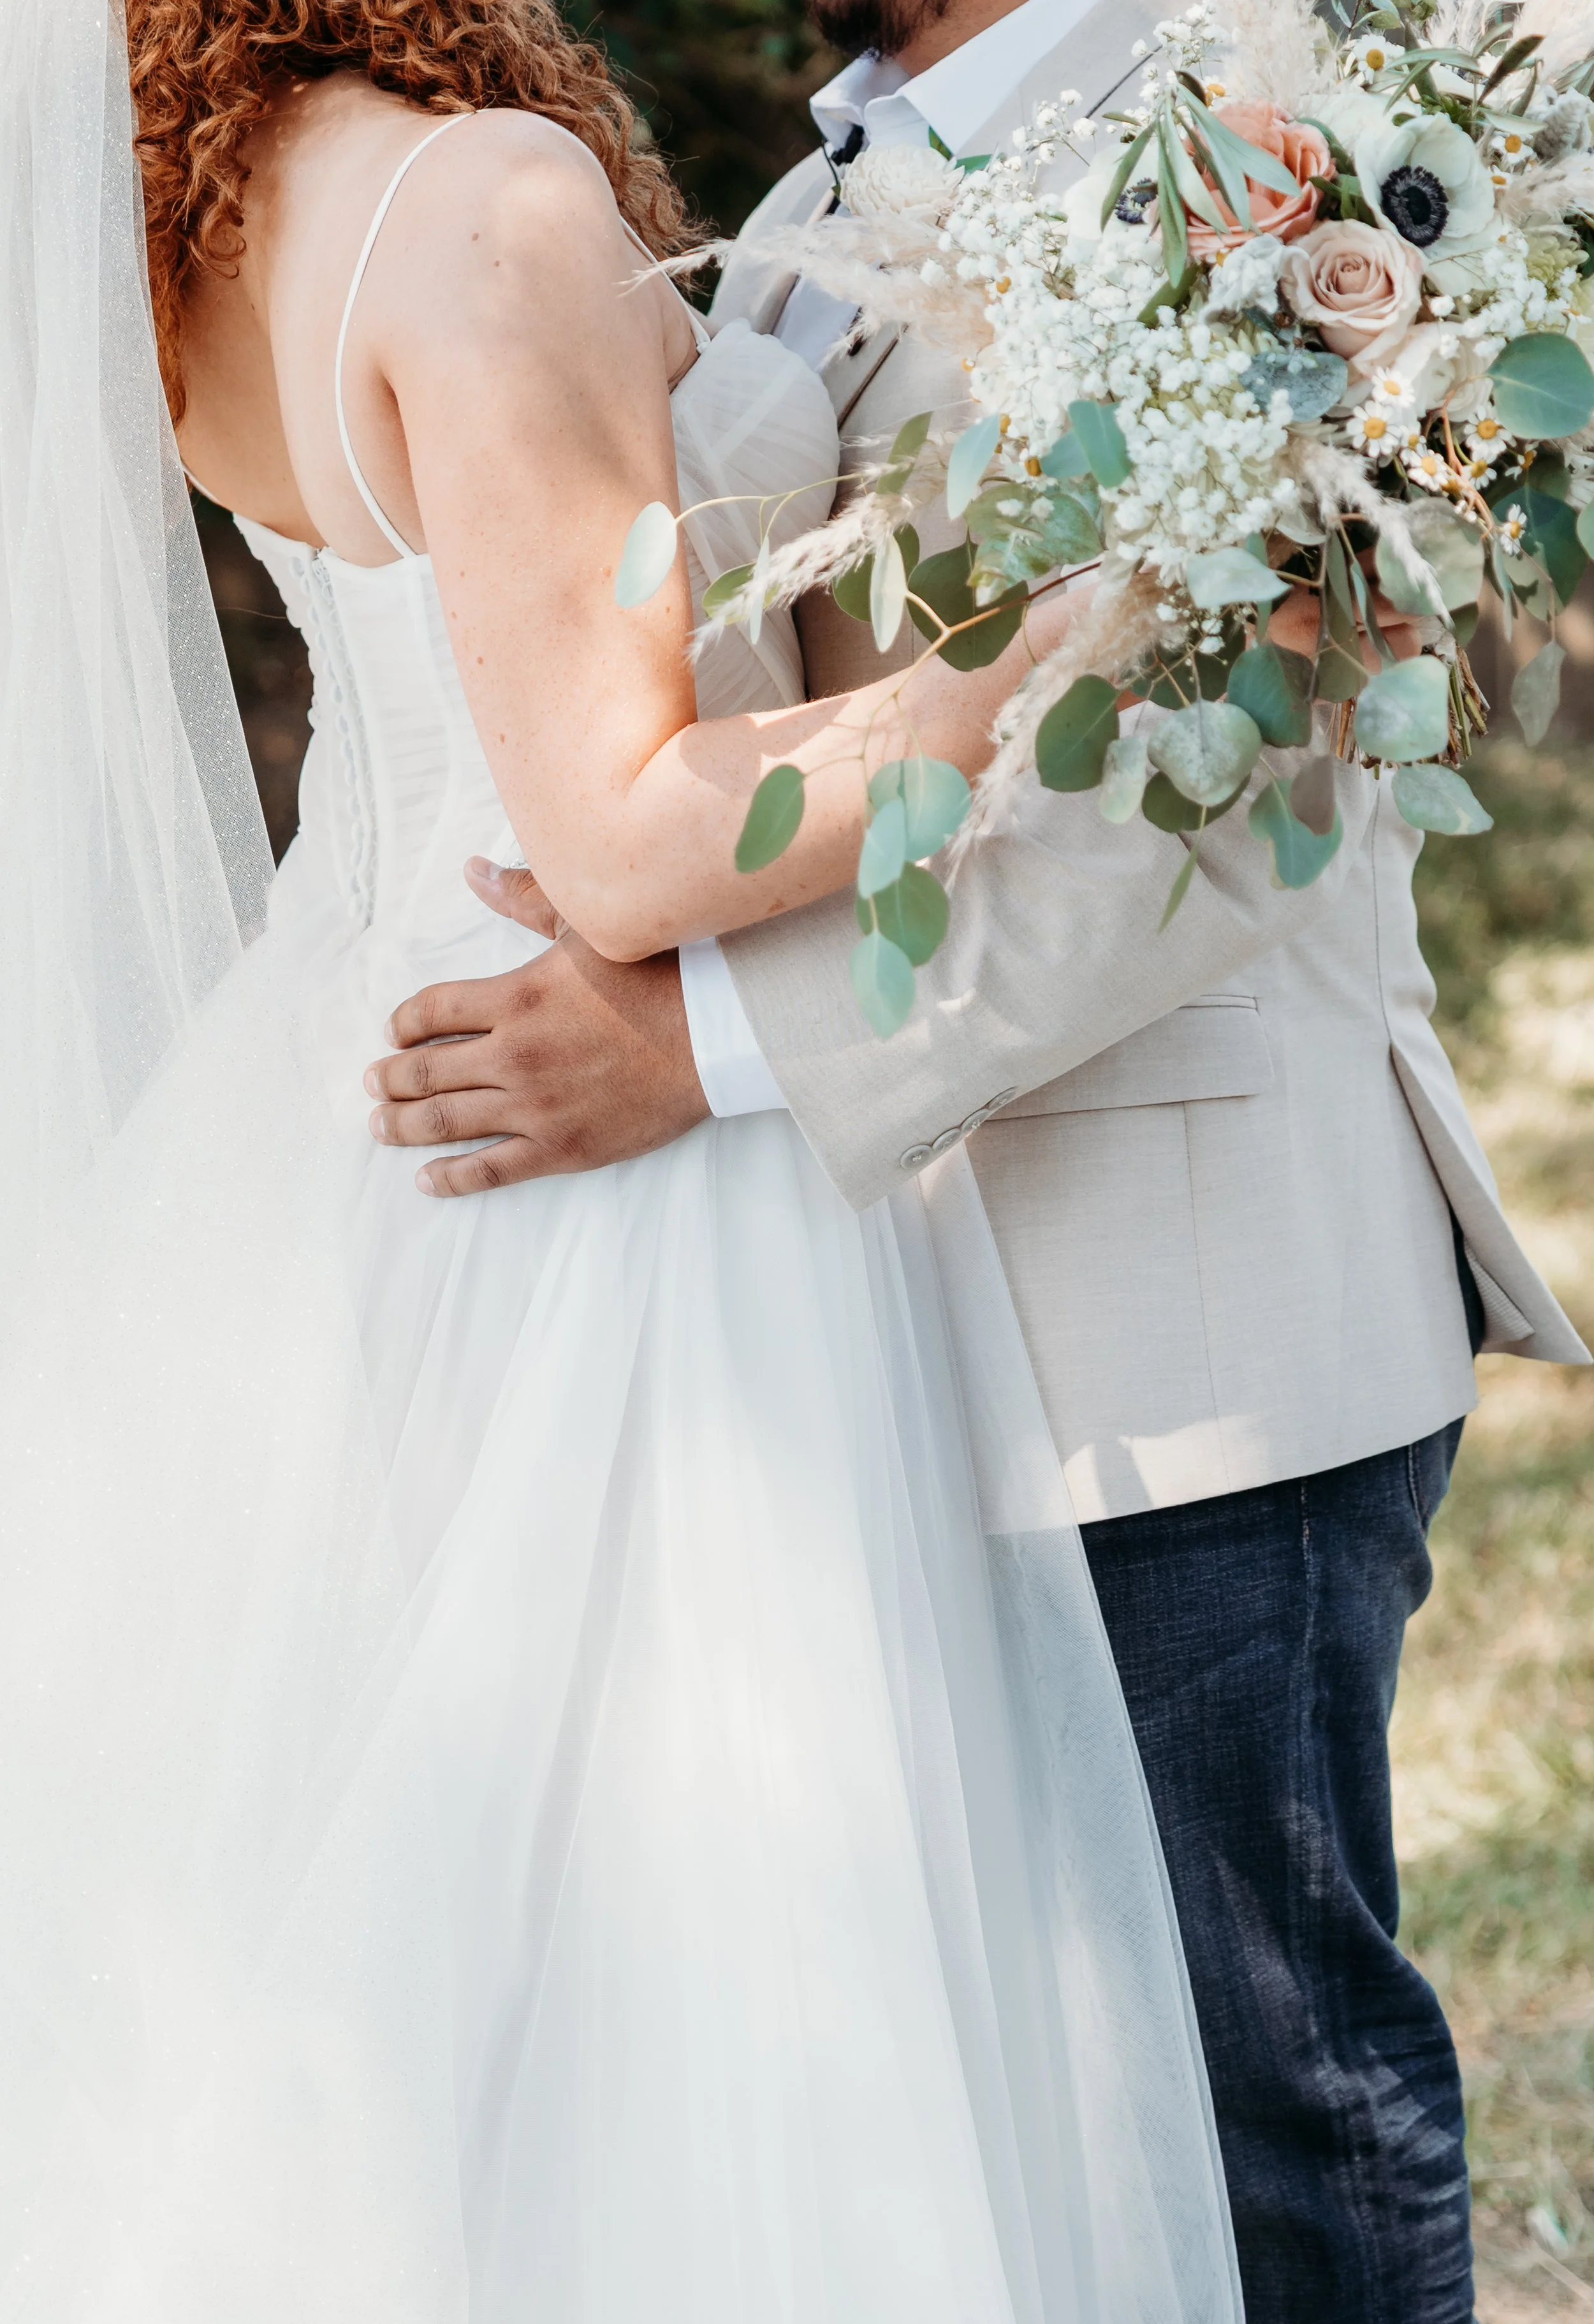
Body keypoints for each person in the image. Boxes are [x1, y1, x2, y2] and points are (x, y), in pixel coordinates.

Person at [0, 1, 1249, 2316]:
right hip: (605, 1156)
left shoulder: (193, 243)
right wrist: (1052, 657)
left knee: (447, 1996)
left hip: (345, 1113)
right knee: (725, 2014)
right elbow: (628, 837)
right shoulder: (483, 202)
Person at [362, 0, 1591, 2318]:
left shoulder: (1269, 137)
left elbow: (1216, 802)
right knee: (1042, 2117)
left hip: (1192, 1316)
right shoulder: (814, 206)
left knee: (1266, 2103)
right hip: (892, 1309)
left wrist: (702, 1040)